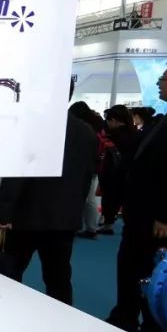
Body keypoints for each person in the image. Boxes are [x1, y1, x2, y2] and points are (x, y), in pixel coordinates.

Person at [107, 55, 167, 332]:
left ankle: (148, 322)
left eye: (165, 79)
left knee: (151, 269)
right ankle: (127, 316)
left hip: (161, 219)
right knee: (132, 264)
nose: (160, 84)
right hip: (143, 213)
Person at [0, 101, 97, 305]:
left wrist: (4, 212)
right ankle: (62, 320)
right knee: (58, 278)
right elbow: (87, 176)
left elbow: (17, 173)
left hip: (26, 215)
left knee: (10, 274)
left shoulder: (30, 126)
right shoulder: (85, 131)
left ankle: (5, 314)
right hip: (63, 217)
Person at [97, 105, 138, 233]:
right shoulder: (135, 133)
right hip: (129, 172)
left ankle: (108, 224)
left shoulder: (113, 135)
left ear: (114, 120)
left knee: (109, 198)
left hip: (112, 172)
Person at [69, 102, 103, 238]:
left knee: (86, 200)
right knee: (90, 199)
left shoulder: (82, 130)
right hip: (92, 168)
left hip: (83, 169)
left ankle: (88, 228)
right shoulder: (95, 128)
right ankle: (91, 227)